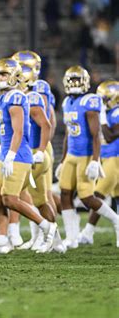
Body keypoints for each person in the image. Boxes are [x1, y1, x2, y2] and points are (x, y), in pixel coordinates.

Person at [0, 58, 58, 254]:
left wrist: (11, 155)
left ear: (14, 76)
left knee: (9, 199)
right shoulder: (1, 98)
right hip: (4, 153)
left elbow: (19, 131)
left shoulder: (16, 96)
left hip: (19, 154)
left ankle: (47, 227)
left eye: (3, 74)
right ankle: (2, 241)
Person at [57, 67, 119, 249]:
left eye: (78, 80)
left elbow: (96, 134)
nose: (75, 84)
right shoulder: (67, 101)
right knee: (65, 194)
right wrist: (62, 159)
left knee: (86, 197)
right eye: (72, 80)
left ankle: (116, 220)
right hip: (71, 155)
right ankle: (72, 237)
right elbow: (69, 133)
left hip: (85, 155)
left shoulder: (89, 101)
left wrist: (94, 159)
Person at [78, 80, 118, 246]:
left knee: (98, 195)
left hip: (115, 158)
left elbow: (109, 136)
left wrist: (101, 118)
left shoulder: (116, 112)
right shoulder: (109, 113)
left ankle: (88, 232)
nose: (101, 104)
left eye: (104, 100)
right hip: (108, 157)